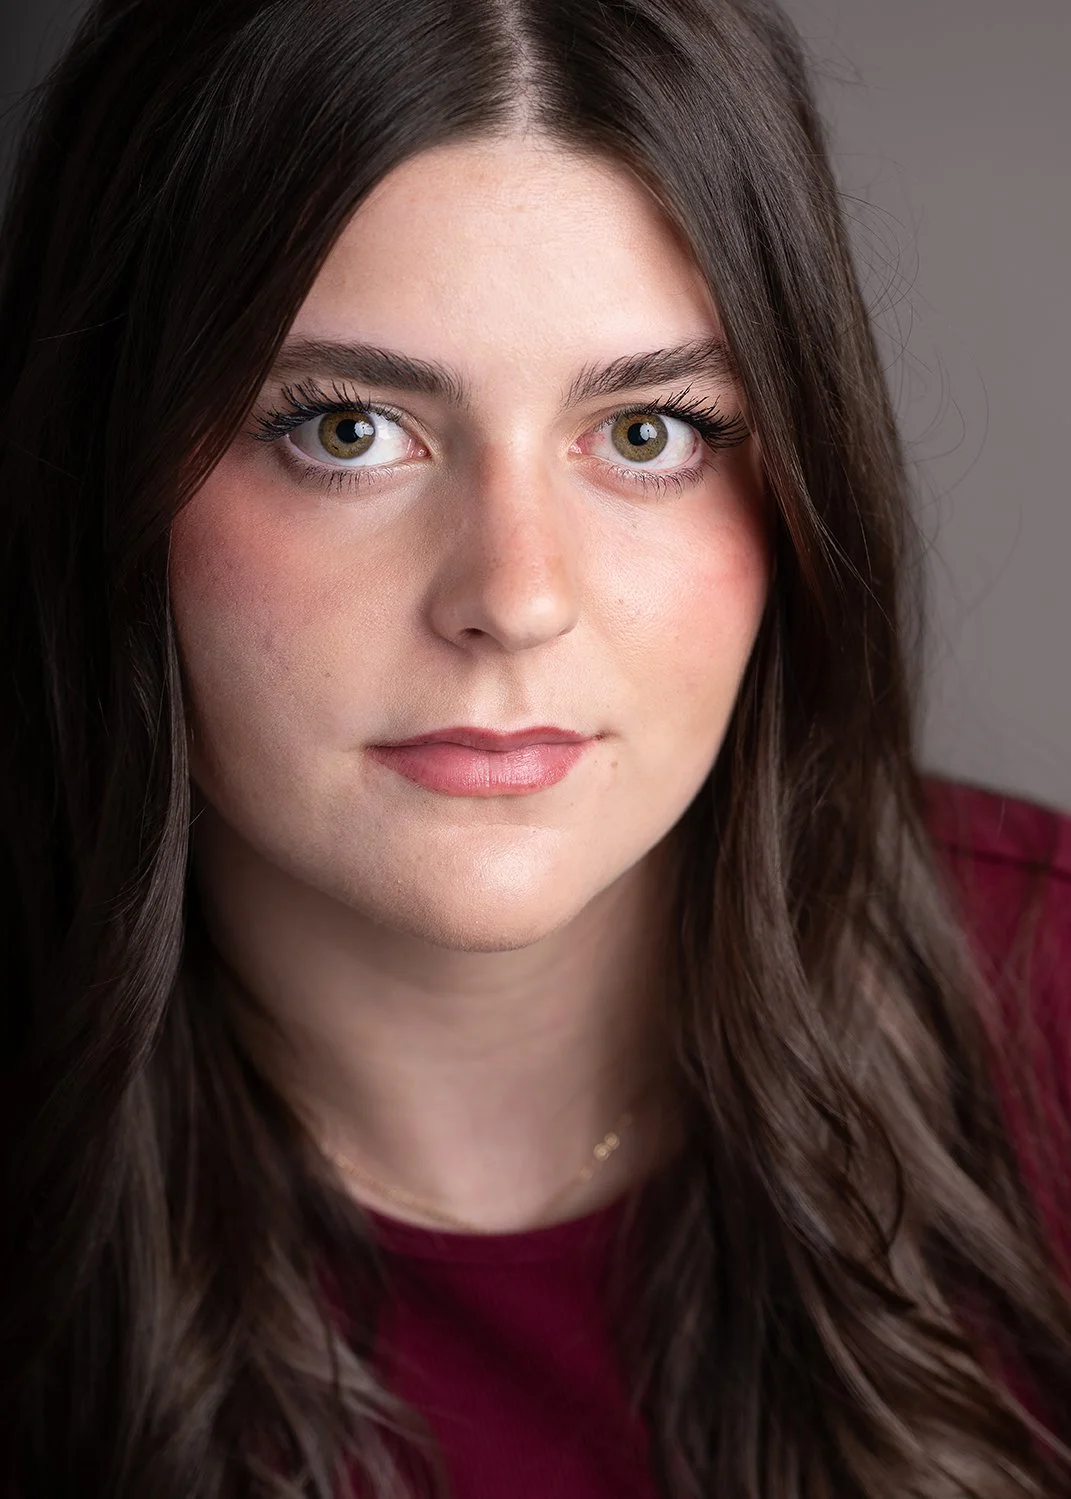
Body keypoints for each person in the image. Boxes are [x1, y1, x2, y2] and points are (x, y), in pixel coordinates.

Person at [1, 0, 1069, 1495]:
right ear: (109, 465)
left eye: (647, 433)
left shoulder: (1052, 1000)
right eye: (347, 429)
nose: (515, 596)